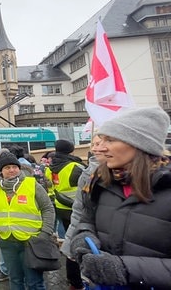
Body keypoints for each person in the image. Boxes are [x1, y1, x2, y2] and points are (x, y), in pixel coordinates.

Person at [70, 107, 171, 288]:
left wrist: (125, 269)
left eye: (110, 139)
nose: (101, 147)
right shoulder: (100, 181)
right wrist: (83, 236)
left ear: (139, 143)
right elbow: (86, 220)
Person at [0, 151, 55, 290]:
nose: (11, 170)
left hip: (31, 242)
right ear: (1, 170)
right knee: (15, 280)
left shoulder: (31, 184)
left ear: (19, 168)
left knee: (34, 282)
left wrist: (44, 233)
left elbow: (48, 208)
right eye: (7, 167)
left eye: (14, 167)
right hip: (6, 242)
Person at [60, 133, 105, 290]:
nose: (96, 148)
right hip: (79, 219)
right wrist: (69, 243)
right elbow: (80, 209)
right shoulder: (84, 170)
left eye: (100, 143)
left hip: (62, 206)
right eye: (94, 144)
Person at [46, 139, 86, 289]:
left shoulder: (50, 167)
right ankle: (77, 279)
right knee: (78, 242)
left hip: (60, 205)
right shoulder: (75, 166)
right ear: (71, 150)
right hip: (76, 209)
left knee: (70, 239)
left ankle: (73, 280)